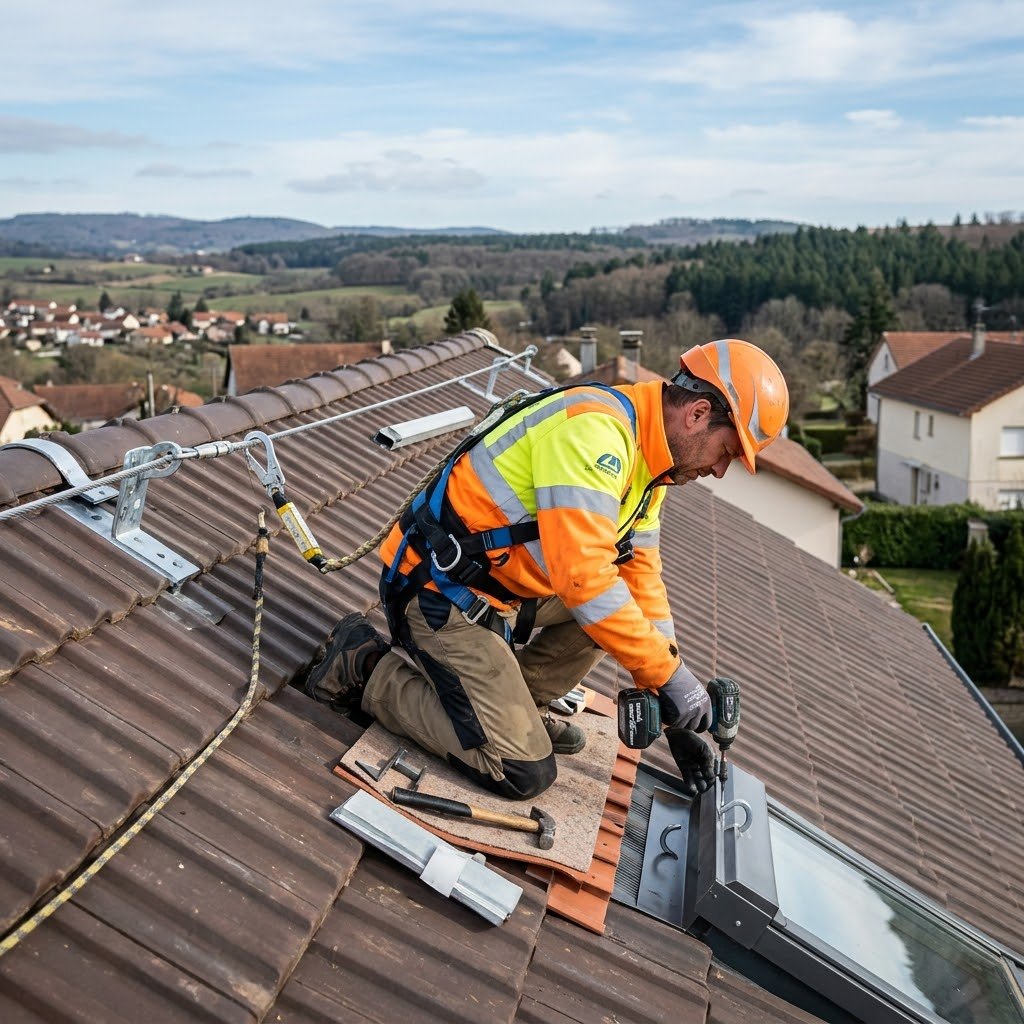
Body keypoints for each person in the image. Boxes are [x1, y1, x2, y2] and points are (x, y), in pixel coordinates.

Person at [299, 339, 789, 800]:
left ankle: (520, 706)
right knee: (522, 769)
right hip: (438, 595)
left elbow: (640, 581)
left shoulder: (649, 468)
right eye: (726, 452)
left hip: (497, 592)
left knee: (620, 617)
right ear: (698, 413)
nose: (719, 470)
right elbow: (584, 579)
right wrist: (669, 676)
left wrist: (668, 699)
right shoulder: (595, 434)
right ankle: (365, 666)